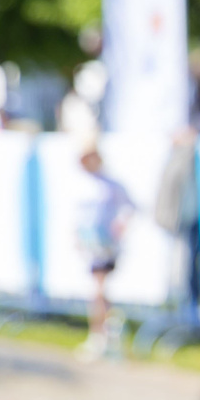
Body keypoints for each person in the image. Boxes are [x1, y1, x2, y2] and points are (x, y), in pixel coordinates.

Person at [71, 142, 135, 362]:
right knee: (97, 292)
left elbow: (130, 207)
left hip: (106, 244)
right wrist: (76, 236)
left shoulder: (110, 184)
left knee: (98, 290)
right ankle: (106, 335)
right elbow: (79, 216)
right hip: (90, 244)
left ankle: (102, 335)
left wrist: (120, 224)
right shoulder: (83, 184)